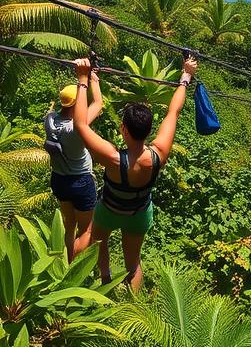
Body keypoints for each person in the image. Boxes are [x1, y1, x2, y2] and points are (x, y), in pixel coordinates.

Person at [72, 56, 197, 290]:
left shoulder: (111, 157)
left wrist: (82, 79)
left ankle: (87, 279)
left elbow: (80, 125)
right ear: (149, 129)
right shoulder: (159, 154)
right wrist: (186, 76)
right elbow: (174, 112)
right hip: (138, 214)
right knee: (133, 263)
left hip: (109, 210)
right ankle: (134, 307)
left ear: (123, 129)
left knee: (95, 241)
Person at [44, 75, 103, 260]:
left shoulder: (50, 120)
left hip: (59, 180)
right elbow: (98, 104)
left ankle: (68, 260)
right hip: (80, 181)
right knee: (86, 230)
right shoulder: (77, 127)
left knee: (70, 225)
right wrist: (93, 80)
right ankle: (76, 270)